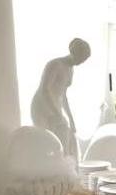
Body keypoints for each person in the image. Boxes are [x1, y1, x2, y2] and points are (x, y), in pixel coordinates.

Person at [31, 38, 91, 167]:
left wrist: (70, 118)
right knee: (49, 143)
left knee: (66, 140)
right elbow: (45, 90)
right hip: (42, 106)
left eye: (84, 60)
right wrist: (57, 113)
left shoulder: (71, 69)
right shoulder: (54, 64)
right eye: (81, 58)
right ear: (74, 52)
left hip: (55, 105)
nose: (81, 62)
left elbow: (63, 95)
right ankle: (49, 173)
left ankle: (64, 172)